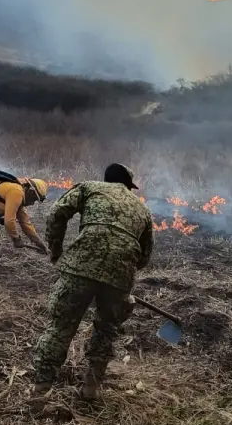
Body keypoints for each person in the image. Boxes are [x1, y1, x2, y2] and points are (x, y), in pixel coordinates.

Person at [31, 163, 154, 402]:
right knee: (106, 330)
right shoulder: (142, 209)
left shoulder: (89, 188)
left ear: (106, 179)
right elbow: (145, 256)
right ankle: (91, 388)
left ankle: (41, 388)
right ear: (128, 187)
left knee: (61, 327)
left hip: (80, 267)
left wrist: (56, 251)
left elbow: (58, 213)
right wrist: (121, 273)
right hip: (119, 276)